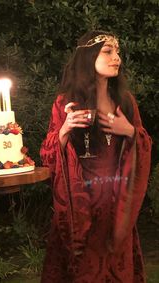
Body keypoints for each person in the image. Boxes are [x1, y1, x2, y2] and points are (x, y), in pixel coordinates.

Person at [40, 30, 152, 282]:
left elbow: (144, 146)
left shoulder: (125, 102)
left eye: (118, 52)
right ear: (88, 57)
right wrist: (65, 130)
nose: (117, 58)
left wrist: (131, 132)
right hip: (81, 208)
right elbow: (48, 155)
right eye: (108, 51)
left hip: (116, 206)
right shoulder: (64, 103)